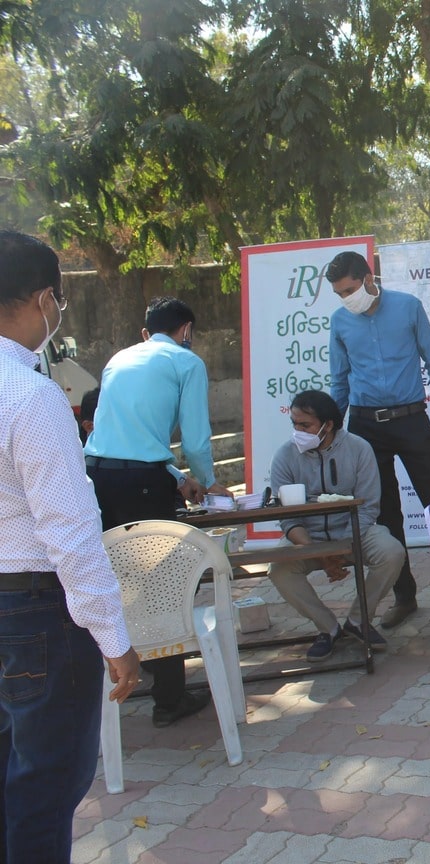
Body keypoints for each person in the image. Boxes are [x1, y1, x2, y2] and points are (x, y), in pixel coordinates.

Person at [0, 230, 141, 861]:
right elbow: (71, 533)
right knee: (44, 784)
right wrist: (115, 638)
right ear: (42, 299)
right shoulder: (31, 399)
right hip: (35, 613)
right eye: (57, 302)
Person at [84, 295, 224, 727]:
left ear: (148, 330)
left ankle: (112, 684)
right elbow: (196, 439)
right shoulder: (186, 362)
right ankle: (168, 698)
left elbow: (128, 438)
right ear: (186, 330)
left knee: (112, 576)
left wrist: (176, 476)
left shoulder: (117, 359)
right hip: (143, 483)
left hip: (96, 475)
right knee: (162, 580)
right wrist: (208, 481)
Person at [327, 251, 430, 629]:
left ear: (369, 278)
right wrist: (332, 431)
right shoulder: (340, 322)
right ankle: (405, 596)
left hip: (412, 419)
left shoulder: (407, 307)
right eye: (339, 294)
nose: (347, 298)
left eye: (350, 289)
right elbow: (339, 381)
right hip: (365, 425)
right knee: (385, 514)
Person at [267, 390, 405, 660]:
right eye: (294, 424)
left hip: (355, 532)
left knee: (392, 552)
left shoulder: (358, 448)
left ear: (328, 424)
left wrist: (341, 549)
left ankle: (358, 620)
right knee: (279, 570)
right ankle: (328, 629)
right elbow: (288, 517)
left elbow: (368, 508)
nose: (298, 431)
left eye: (305, 425)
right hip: (309, 538)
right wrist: (319, 552)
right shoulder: (284, 455)